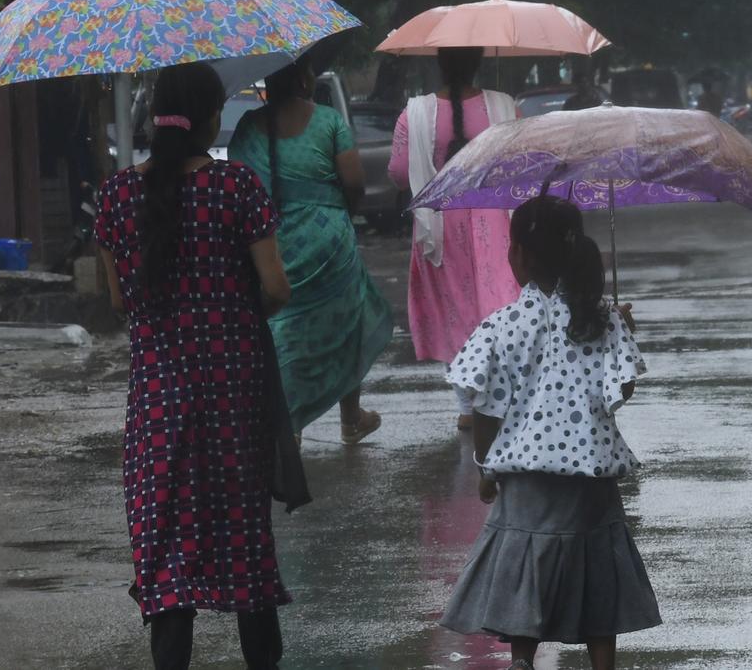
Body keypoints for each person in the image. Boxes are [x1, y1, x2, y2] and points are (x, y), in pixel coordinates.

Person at [95, 62, 292, 670]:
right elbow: (276, 288)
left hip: (158, 395)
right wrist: (231, 311)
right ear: (210, 119)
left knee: (165, 529)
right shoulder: (237, 187)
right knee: (243, 525)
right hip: (233, 388)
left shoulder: (116, 196)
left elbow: (120, 302)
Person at [441, 196, 662, 670]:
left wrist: (484, 468)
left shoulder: (501, 326)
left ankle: (523, 661)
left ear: (518, 254)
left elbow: (486, 408)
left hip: (526, 481)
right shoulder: (602, 320)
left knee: (527, 569)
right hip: (592, 477)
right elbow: (622, 390)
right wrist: (623, 330)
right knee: (598, 571)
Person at [230, 59, 393, 444]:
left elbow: (239, 186)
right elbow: (354, 183)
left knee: (284, 332)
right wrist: (338, 213)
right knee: (346, 324)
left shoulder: (249, 127)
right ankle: (351, 419)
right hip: (329, 242)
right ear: (304, 78)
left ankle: (292, 425)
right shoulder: (328, 121)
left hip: (271, 244)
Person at [388, 47, 521, 431]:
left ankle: (467, 405)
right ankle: (501, 395)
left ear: (439, 64)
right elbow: (523, 161)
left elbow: (399, 173)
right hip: (495, 219)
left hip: (440, 223)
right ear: (478, 63)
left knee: (455, 308)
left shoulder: (414, 114)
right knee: (499, 304)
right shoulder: (505, 106)